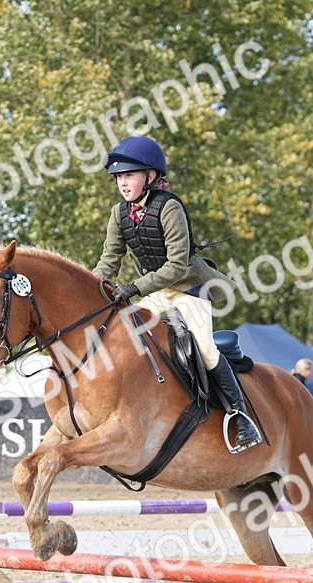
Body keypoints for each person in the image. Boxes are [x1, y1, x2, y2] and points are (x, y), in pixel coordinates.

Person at [92, 135, 262, 453]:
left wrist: (135, 288)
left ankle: (240, 417)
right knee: (124, 337)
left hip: (189, 289)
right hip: (155, 291)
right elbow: (108, 260)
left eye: (129, 175)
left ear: (151, 176)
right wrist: (92, 287)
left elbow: (177, 266)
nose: (122, 183)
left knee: (205, 349)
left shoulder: (169, 208)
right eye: (118, 177)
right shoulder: (120, 213)